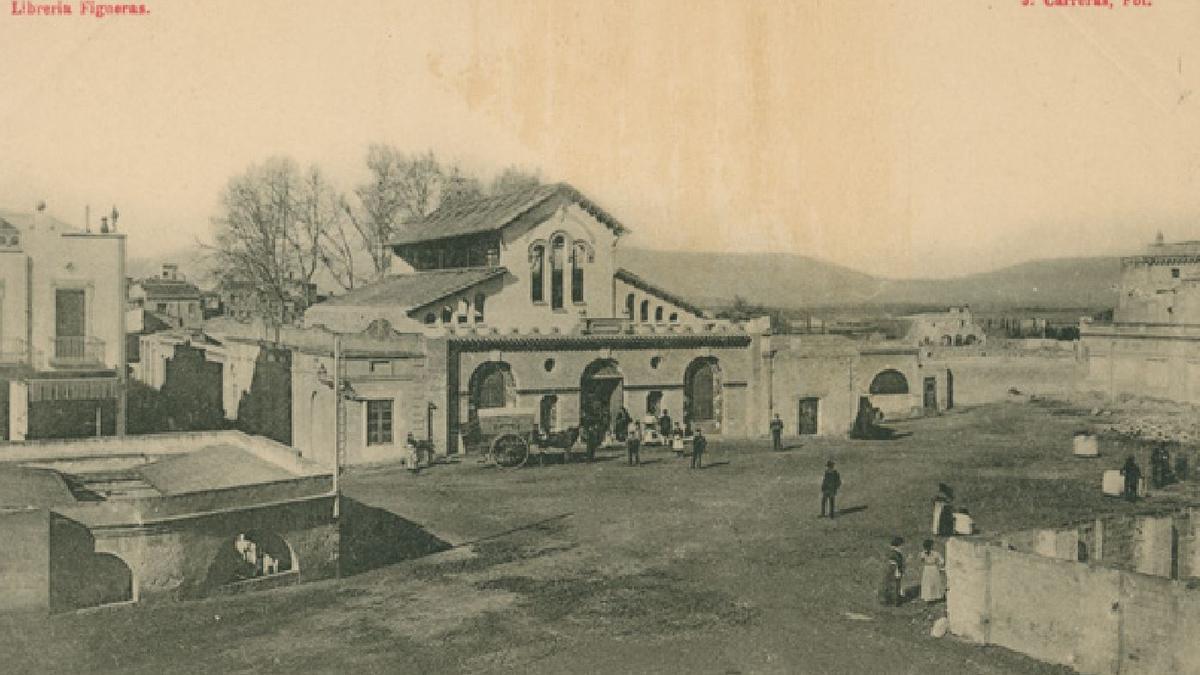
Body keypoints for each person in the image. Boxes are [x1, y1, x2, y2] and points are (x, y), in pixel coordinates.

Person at [879, 537, 905, 606]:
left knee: (893, 585)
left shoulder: (896, 552)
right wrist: (897, 571)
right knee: (893, 585)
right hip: (893, 570)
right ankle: (893, 601)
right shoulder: (895, 553)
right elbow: (894, 563)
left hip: (893, 570)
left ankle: (890, 600)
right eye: (902, 545)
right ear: (899, 545)